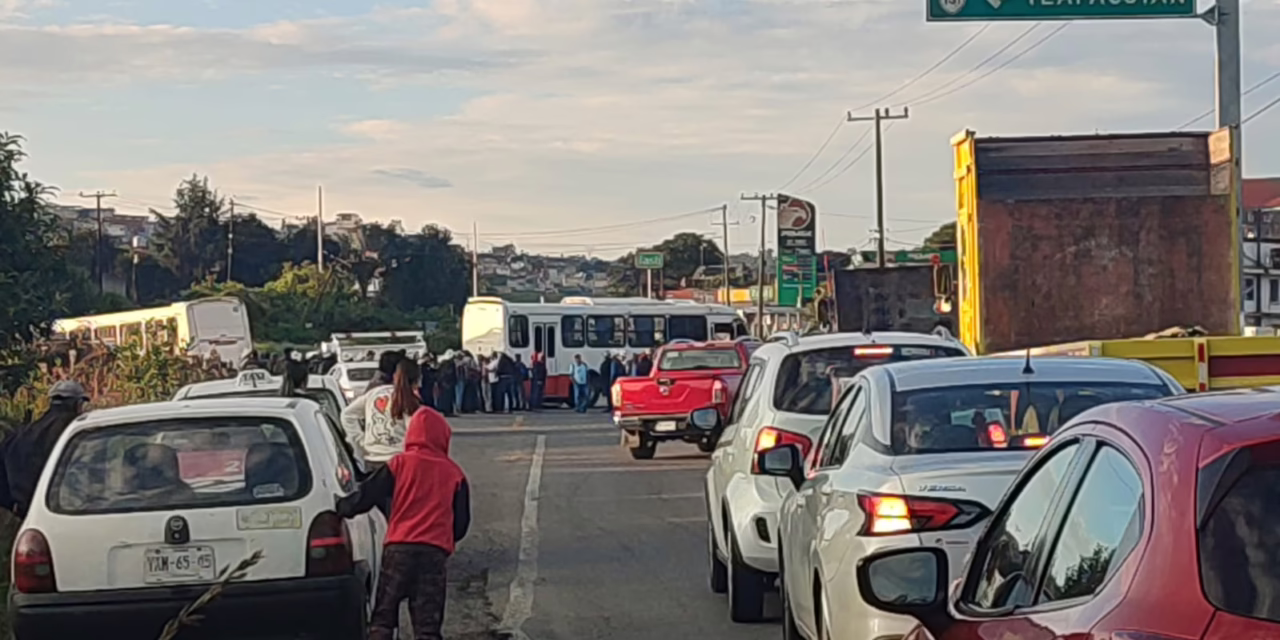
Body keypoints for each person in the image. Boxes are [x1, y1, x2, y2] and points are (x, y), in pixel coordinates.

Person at [337, 408, 470, 640]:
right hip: (433, 554)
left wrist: (342, 507)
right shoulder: (454, 474)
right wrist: (442, 535)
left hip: (399, 549)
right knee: (427, 625)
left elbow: (368, 495)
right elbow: (461, 525)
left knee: (383, 617)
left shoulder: (399, 464)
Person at [1, 380, 91, 517]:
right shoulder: (77, 435)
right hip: (71, 511)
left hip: (26, 515)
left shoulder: (19, 436)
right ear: (78, 404)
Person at [341, 359, 422, 474]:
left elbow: (347, 415)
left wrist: (360, 440)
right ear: (416, 381)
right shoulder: (409, 400)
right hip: (399, 459)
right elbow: (414, 433)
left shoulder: (374, 393)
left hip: (372, 458)